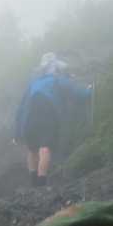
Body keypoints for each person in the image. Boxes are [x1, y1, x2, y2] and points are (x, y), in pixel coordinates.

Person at [14, 53, 93, 184]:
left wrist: (17, 131)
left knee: (32, 149)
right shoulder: (56, 80)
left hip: (29, 119)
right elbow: (75, 92)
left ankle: (34, 181)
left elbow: (21, 107)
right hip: (47, 116)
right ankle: (41, 182)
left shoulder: (33, 83)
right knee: (44, 147)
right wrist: (89, 91)